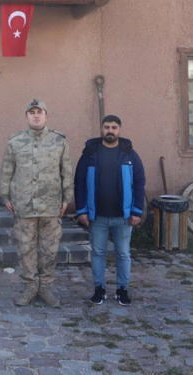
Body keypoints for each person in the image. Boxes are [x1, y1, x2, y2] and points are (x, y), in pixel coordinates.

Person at [0, 99, 73, 308]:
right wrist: (5, 196)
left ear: (46, 115)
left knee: (50, 249)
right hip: (24, 204)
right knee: (26, 248)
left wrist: (67, 198)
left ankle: (46, 286)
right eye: (32, 112)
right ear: (27, 116)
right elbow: (7, 171)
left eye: (39, 112)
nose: (36, 115)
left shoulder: (59, 141)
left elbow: (66, 172)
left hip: (51, 204)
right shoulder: (15, 141)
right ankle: (31, 286)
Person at [74, 115, 146, 306]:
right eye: (107, 127)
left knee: (123, 254)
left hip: (123, 217)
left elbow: (139, 183)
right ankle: (99, 289)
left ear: (119, 130)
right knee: (98, 254)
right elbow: (79, 183)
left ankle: (122, 290)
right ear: (102, 129)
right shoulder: (90, 154)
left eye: (114, 127)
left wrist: (137, 211)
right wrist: (81, 210)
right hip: (97, 216)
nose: (110, 130)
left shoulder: (129, 154)